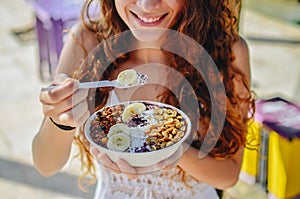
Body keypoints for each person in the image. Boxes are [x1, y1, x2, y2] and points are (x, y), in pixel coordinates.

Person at [32, 0, 255, 198]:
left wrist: (172, 152)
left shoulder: (228, 53)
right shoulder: (87, 41)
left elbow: (228, 175)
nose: (147, 5)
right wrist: (59, 119)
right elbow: (46, 165)